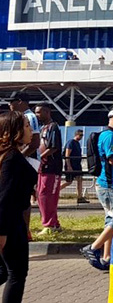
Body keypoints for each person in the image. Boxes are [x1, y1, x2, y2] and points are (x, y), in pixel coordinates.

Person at [80, 109, 113, 272]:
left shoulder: (110, 135)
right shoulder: (109, 136)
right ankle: (93, 248)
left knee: (111, 220)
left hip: (112, 184)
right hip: (111, 185)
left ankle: (107, 257)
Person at [0, 111, 38, 302]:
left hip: (13, 222)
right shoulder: (11, 158)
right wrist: (2, 232)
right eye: (26, 126)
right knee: (15, 273)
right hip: (9, 223)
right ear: (14, 130)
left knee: (8, 272)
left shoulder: (10, 155)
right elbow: (4, 197)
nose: (30, 130)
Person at [8, 94, 40, 242]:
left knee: (23, 197)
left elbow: (34, 142)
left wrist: (19, 156)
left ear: (20, 102)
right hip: (25, 160)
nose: (10, 105)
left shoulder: (29, 117)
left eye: (11, 102)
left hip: (28, 160)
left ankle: (25, 231)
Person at [34, 103, 63, 236]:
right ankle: (53, 223)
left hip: (52, 167)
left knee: (48, 195)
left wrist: (41, 156)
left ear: (47, 112)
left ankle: (49, 224)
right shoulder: (42, 128)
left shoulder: (53, 127)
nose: (36, 115)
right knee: (41, 195)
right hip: (42, 167)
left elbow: (54, 147)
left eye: (39, 112)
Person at [60, 130, 89, 204]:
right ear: (76, 135)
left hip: (77, 165)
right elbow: (67, 155)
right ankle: (55, 191)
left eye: (82, 135)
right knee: (69, 181)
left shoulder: (78, 144)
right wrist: (69, 166)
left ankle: (79, 197)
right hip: (71, 164)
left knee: (80, 179)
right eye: (80, 135)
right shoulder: (71, 142)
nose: (81, 137)